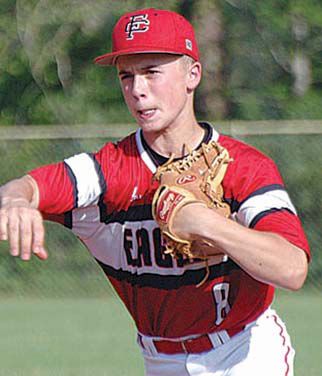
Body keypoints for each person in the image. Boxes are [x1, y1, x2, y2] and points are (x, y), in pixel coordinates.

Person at [0, 7, 310, 376]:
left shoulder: (242, 166)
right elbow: (29, 186)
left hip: (245, 351)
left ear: (192, 74)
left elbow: (292, 269)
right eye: (126, 76)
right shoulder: (110, 171)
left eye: (152, 72)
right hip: (161, 360)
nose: (138, 90)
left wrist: (208, 224)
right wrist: (16, 199)